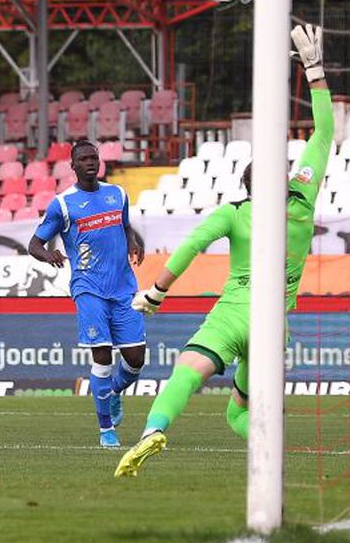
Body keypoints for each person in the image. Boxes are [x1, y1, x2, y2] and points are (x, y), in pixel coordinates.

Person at [114, 24, 331, 477]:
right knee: (239, 412)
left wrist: (156, 291)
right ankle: (273, 449)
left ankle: (153, 429)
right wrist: (314, 71)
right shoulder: (302, 202)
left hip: (234, 310)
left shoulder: (233, 211)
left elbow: (193, 243)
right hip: (274, 325)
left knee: (187, 373)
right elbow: (324, 132)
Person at [28, 139, 145, 448]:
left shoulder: (117, 194)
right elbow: (34, 244)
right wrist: (49, 255)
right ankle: (106, 429)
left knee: (135, 360)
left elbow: (125, 226)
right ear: (74, 166)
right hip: (88, 288)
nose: (91, 163)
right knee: (103, 356)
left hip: (123, 288)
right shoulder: (63, 204)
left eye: (94, 158)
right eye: (84, 159)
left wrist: (133, 242)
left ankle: (115, 393)